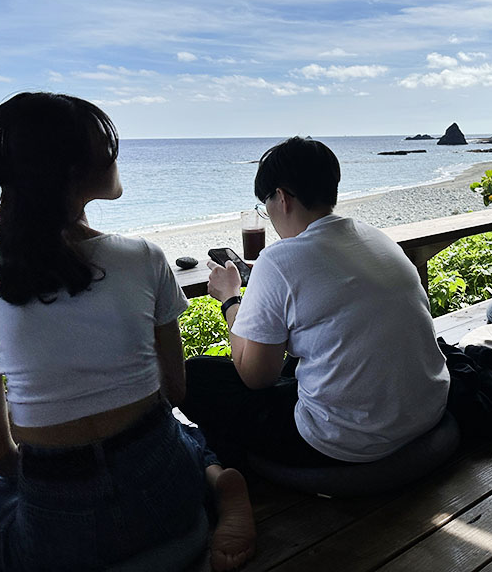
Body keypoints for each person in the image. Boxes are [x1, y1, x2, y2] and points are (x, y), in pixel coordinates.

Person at [0, 92, 255, 572]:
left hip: (59, 536)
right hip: (167, 493)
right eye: (106, 147)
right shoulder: (144, 257)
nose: (115, 156)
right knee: (178, 430)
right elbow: (174, 390)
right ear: (71, 170)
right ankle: (216, 480)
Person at [180, 137, 450, 468]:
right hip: (428, 412)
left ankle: (236, 473)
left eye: (264, 203)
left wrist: (229, 298)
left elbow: (256, 377)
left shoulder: (279, 260)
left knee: (194, 375)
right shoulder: (375, 237)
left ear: (281, 197)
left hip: (347, 441)